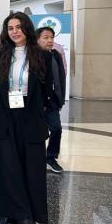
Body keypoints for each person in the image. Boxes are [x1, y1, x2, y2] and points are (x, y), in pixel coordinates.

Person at [0, 11, 52, 224]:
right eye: (10, 28)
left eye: (18, 27)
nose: (14, 31)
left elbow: (49, 90)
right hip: (7, 116)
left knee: (32, 167)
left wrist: (39, 111)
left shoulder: (42, 55)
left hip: (31, 116)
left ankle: (28, 217)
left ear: (26, 28)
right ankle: (16, 213)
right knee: (9, 166)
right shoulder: (2, 54)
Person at [36, 26, 66, 174]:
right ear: (37, 39)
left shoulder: (56, 55)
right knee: (38, 133)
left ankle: (51, 157)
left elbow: (60, 78)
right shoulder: (34, 57)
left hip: (53, 100)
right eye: (45, 37)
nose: (49, 40)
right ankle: (36, 159)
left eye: (51, 37)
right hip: (37, 102)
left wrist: (60, 99)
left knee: (56, 129)